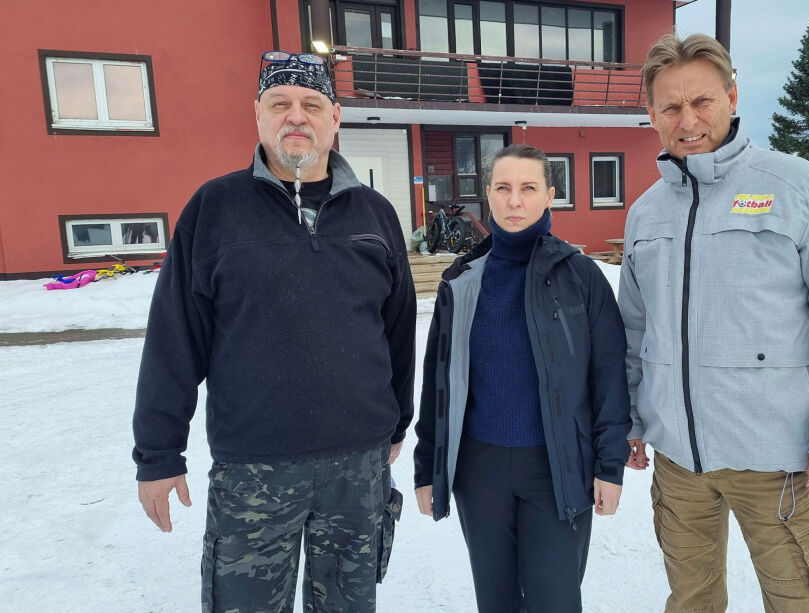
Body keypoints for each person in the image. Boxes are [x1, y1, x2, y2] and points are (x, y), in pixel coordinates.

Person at [132, 51, 415, 612]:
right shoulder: (214, 209)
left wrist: (396, 423)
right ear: (257, 115)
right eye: (279, 103)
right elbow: (174, 337)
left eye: (311, 104)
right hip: (253, 469)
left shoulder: (375, 213)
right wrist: (158, 454)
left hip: (356, 467)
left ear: (335, 118)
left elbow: (398, 330)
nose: (296, 116)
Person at [620, 34, 809, 612]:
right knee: (690, 600)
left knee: (798, 603)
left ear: (733, 95)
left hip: (778, 461)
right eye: (670, 107)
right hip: (678, 461)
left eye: (703, 101)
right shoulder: (645, 213)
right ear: (651, 116)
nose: (687, 120)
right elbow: (634, 333)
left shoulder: (798, 187)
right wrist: (632, 415)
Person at [413, 144, 631, 612]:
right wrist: (427, 466)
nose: (515, 201)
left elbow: (609, 376)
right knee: (496, 602)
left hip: (555, 468)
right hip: (480, 470)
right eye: (504, 188)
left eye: (528, 188)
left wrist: (609, 466)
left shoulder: (581, 276)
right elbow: (438, 381)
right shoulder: (462, 279)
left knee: (554, 600)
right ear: (488, 195)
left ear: (549, 195)